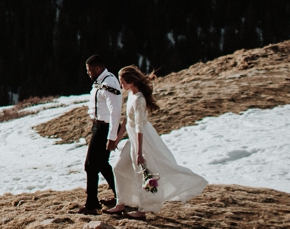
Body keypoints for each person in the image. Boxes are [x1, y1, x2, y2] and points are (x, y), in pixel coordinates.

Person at [104, 65, 208, 218]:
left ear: (131, 82)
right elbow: (127, 120)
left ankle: (144, 209)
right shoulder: (131, 95)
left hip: (142, 140)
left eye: (122, 81)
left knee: (143, 173)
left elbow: (139, 127)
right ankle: (121, 203)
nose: (121, 85)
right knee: (118, 168)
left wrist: (139, 152)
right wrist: (116, 140)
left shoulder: (139, 99)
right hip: (133, 139)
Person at [80, 54, 121, 215]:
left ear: (98, 68)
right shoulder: (100, 82)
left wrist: (111, 137)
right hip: (99, 125)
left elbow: (115, 112)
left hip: (105, 128)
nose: (88, 73)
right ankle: (121, 196)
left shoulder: (109, 82)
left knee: (90, 165)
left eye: (90, 70)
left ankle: (91, 204)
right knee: (103, 164)